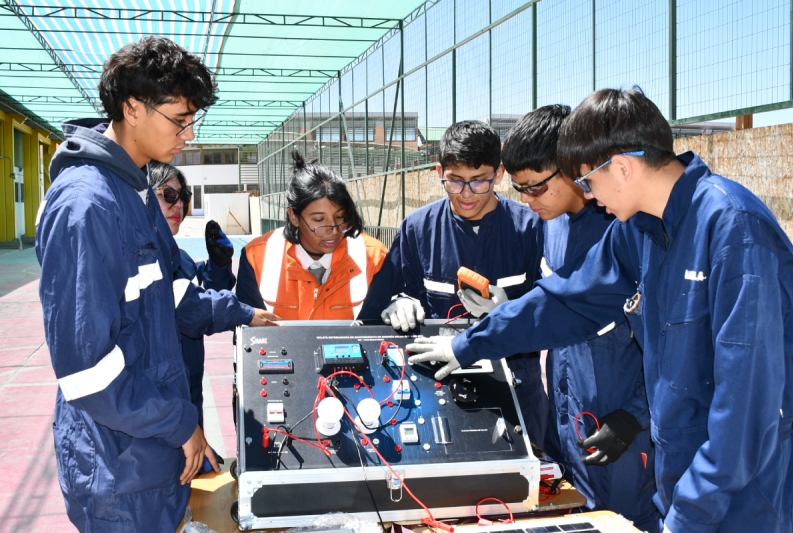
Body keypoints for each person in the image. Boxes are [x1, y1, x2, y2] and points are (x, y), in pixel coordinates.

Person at [407, 87, 793, 533]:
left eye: (588, 181)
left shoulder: (734, 230)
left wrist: (690, 516)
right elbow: (567, 300)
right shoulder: (640, 231)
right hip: (683, 484)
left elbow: (748, 407)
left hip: (744, 500)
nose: (591, 198)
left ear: (623, 167)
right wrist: (466, 345)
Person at [35, 37, 269, 532]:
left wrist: (244, 313)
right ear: (133, 107)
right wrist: (178, 423)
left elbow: (174, 298)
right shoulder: (87, 206)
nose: (189, 132)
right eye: (180, 118)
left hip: (153, 454)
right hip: (118, 467)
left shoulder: (134, 193)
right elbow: (85, 368)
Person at [491, 105, 658, 531]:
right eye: (520, 190)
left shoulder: (628, 228)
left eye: (536, 187)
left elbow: (673, 348)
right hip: (570, 426)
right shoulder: (553, 223)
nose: (527, 201)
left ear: (572, 168)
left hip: (626, 436)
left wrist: (635, 418)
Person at [358, 120, 549, 447]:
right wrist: (398, 302)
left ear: (499, 174)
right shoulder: (418, 229)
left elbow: (558, 311)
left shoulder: (532, 227)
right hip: (439, 390)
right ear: (439, 171)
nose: (466, 194)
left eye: (479, 182)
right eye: (455, 181)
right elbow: (374, 314)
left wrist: (511, 311)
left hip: (518, 388)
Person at [150, 162, 277, 431]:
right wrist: (246, 313)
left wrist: (218, 265)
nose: (179, 205)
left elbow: (200, 289)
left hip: (188, 390)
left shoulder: (178, 256)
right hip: (158, 401)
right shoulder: (144, 258)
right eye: (168, 194)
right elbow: (188, 308)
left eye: (184, 196)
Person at [236, 150, 387, 319]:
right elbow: (248, 335)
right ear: (293, 216)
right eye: (319, 220)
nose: (334, 230)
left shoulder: (375, 257)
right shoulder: (255, 258)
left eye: (340, 217)